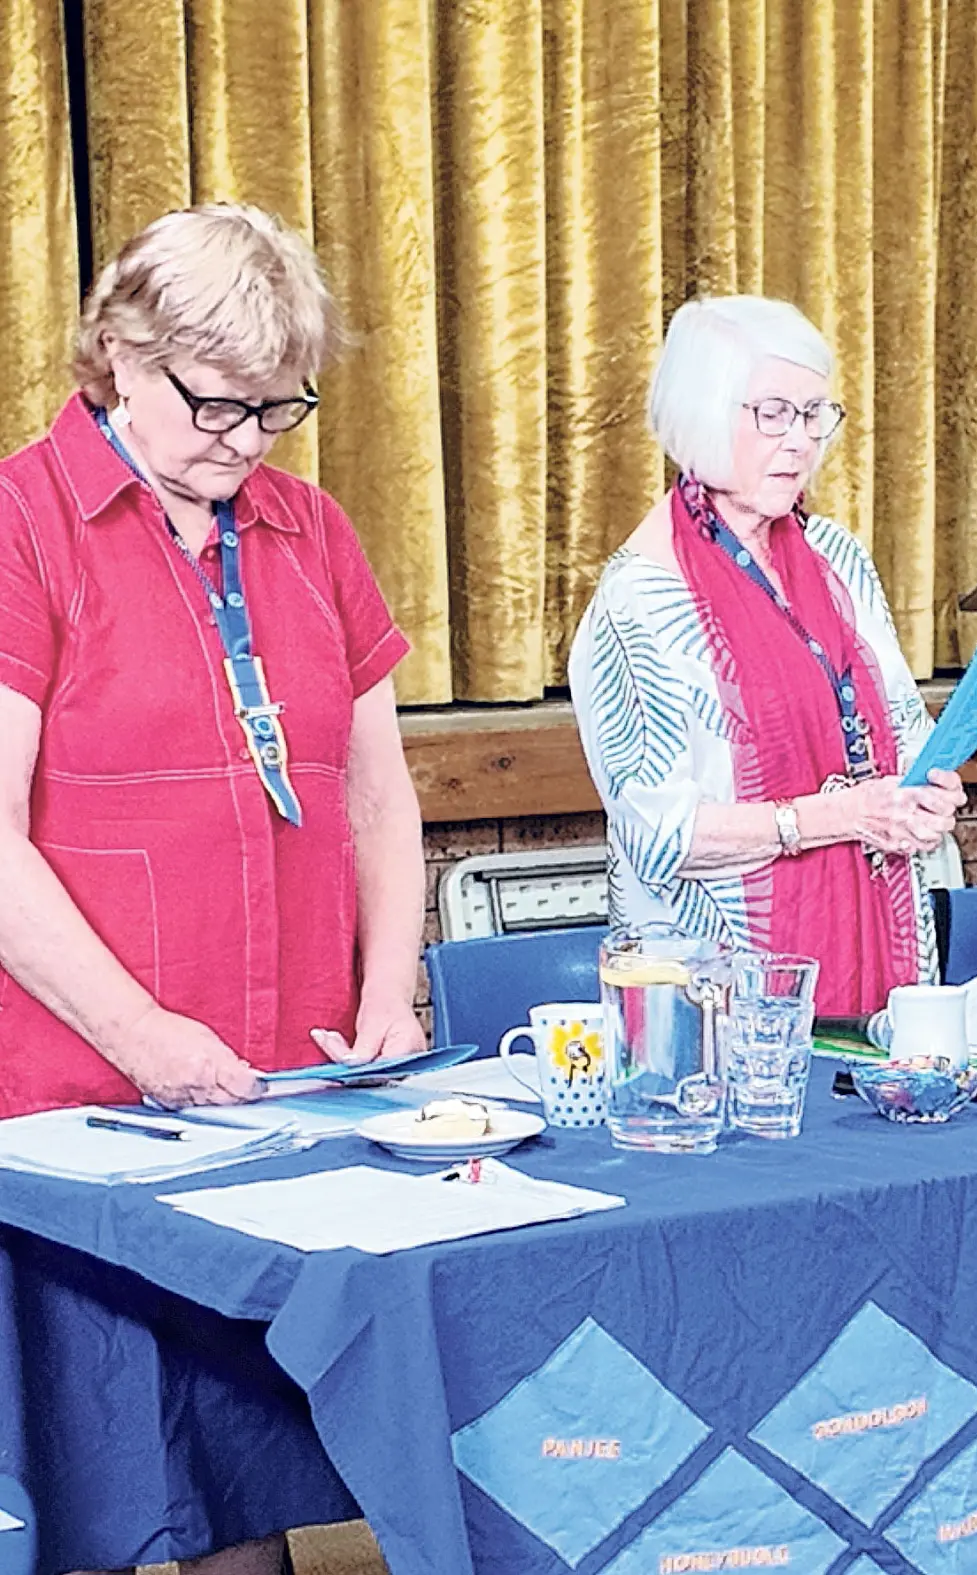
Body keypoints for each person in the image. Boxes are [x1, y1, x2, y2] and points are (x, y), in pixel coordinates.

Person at [0, 205, 425, 1570]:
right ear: (119, 355)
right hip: (89, 1105)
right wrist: (142, 1038)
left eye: (276, 407)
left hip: (285, 1085)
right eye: (214, 403)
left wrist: (387, 988)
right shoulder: (21, 525)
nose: (245, 439)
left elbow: (377, 793)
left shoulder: (310, 528)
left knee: (248, 1486)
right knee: (116, 1491)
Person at [570, 296, 964, 1016]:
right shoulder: (642, 596)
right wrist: (838, 816)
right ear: (703, 414)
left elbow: (904, 727)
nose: (801, 441)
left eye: (816, 415)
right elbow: (662, 835)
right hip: (707, 1003)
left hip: (881, 961)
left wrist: (924, 794)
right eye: (774, 413)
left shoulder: (837, 555)